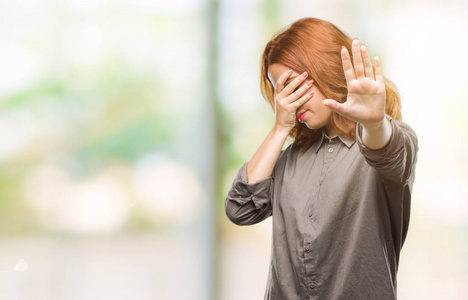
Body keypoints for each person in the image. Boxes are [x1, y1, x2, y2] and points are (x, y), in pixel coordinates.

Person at [224, 17, 418, 300]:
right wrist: (280, 128)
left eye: (295, 85)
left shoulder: (386, 141)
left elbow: (388, 152)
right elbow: (240, 209)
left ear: (324, 70)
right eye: (282, 90)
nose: (290, 99)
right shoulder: (291, 159)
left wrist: (375, 123)